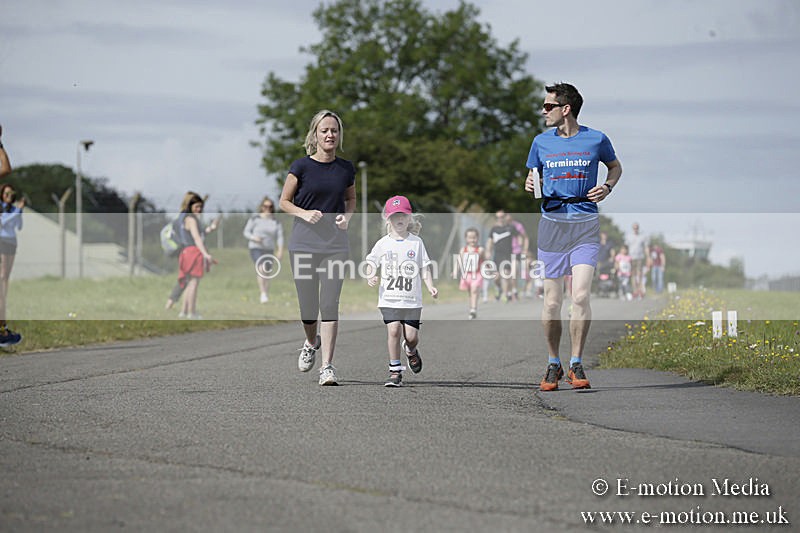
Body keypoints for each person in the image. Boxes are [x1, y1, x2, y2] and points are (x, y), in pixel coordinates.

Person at [525, 82, 622, 391]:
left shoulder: (596, 139)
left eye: (548, 106)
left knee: (580, 296)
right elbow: (533, 175)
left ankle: (576, 362)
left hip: (584, 224)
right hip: (552, 224)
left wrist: (607, 187)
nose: (543, 111)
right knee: (553, 302)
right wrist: (531, 183)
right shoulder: (541, 142)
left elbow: (615, 167)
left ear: (565, 109)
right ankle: (553, 363)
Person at [279, 109, 356, 386]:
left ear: (339, 134)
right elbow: (284, 201)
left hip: (335, 245)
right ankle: (312, 342)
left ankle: (328, 366)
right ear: (315, 134)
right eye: (324, 130)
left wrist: (346, 218)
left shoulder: (346, 168)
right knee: (308, 308)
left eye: (334, 130)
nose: (329, 135)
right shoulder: (300, 166)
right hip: (303, 245)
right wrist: (304, 213)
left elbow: (350, 201)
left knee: (329, 303)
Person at [365, 196, 438, 387]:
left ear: (409, 218)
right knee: (394, 330)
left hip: (412, 300)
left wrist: (430, 285)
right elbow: (372, 261)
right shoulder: (383, 243)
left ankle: (411, 351)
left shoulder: (416, 242)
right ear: (388, 219)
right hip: (389, 298)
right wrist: (370, 274)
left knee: (411, 337)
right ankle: (395, 371)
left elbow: (424, 267)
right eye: (395, 216)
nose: (399, 219)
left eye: (403, 216)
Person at [164, 192, 218, 310]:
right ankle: (190, 312)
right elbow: (197, 238)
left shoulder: (182, 217)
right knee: (192, 282)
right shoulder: (190, 219)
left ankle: (181, 310)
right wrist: (205, 254)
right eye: (197, 207)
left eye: (201, 207)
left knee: (186, 281)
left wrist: (211, 228)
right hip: (191, 251)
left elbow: (198, 234)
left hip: (185, 251)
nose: (199, 210)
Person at [243, 196, 284, 303]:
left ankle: (265, 292)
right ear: (261, 207)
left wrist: (280, 250)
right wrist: (254, 238)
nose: (268, 209)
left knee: (266, 272)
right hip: (255, 247)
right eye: (265, 206)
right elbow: (246, 232)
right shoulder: (255, 218)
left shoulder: (275, 222)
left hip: (269, 249)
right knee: (261, 268)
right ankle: (263, 293)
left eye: (270, 207)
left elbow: (279, 237)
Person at [0, 183, 23, 346]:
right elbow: (3, 222)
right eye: (6, 193)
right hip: (2, 240)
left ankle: (4, 297)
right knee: (2, 274)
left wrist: (19, 212)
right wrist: (18, 211)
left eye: (11, 193)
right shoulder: (3, 208)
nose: (9, 196)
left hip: (12, 241)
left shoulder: (12, 209)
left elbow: (18, 226)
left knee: (6, 276)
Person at [484, 209, 520, 303]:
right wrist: (488, 251)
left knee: (506, 274)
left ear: (505, 217)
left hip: (508, 255)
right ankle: (499, 288)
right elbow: (490, 241)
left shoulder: (511, 227)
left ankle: (505, 294)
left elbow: (520, 237)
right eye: (498, 217)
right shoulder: (494, 229)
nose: (500, 219)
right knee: (496, 278)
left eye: (502, 217)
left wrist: (521, 248)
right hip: (497, 255)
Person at [457, 227, 484, 319]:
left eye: (474, 237)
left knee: (474, 289)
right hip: (466, 274)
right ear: (466, 238)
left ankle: (473, 309)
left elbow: (485, 261)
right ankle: (472, 307)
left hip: (477, 273)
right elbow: (459, 261)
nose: (472, 240)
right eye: (470, 237)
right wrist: (455, 271)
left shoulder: (480, 250)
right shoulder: (463, 250)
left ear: (478, 238)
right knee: (470, 292)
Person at [627, 222, 650, 299]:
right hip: (631, 257)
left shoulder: (642, 237)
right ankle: (635, 290)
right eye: (634, 228)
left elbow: (646, 247)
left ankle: (640, 289)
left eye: (637, 228)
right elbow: (626, 247)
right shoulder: (629, 236)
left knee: (639, 274)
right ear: (632, 228)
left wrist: (648, 257)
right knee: (633, 274)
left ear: (638, 228)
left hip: (640, 257)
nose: (635, 229)